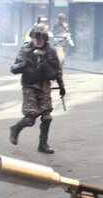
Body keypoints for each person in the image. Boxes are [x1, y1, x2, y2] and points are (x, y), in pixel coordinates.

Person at [10, 24, 66, 154]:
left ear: (45, 38)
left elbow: (57, 69)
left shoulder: (51, 51)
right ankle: (15, 129)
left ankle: (43, 144)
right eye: (35, 38)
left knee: (47, 117)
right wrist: (24, 64)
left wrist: (61, 86)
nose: (37, 40)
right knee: (30, 118)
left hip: (44, 86)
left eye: (40, 38)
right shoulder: (26, 50)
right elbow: (13, 68)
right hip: (30, 85)